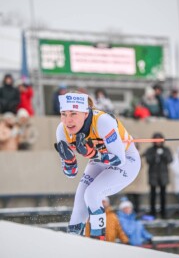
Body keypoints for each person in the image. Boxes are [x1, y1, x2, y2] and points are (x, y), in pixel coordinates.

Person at [55, 91, 141, 240]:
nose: (68, 120)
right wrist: (69, 162)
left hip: (127, 161)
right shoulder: (62, 130)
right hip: (99, 161)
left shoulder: (103, 121)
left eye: (73, 114)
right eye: (64, 114)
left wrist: (93, 154)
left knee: (92, 194)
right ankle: (72, 241)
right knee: (80, 199)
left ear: (85, 113)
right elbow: (71, 174)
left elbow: (119, 159)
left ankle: (98, 240)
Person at [142, 132, 173, 219]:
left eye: (159, 140)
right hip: (153, 176)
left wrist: (162, 154)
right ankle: (153, 213)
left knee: (163, 196)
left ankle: (163, 213)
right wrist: (156, 155)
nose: (158, 142)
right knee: (153, 196)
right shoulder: (150, 150)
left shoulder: (166, 149)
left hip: (163, 175)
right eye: (156, 140)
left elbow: (170, 160)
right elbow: (148, 160)